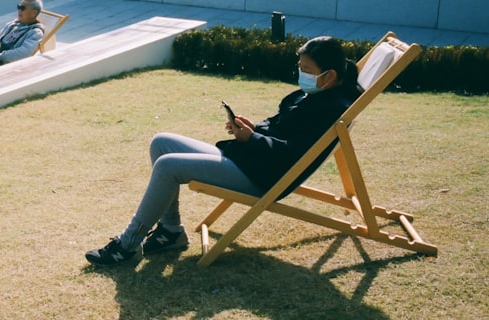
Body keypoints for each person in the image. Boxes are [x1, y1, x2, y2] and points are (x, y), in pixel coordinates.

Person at [85, 36, 361, 266]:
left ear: (330, 75)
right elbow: (277, 125)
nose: (301, 73)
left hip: (263, 177)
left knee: (168, 165)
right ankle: (170, 232)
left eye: (307, 69)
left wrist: (252, 139)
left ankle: (128, 244)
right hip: (249, 160)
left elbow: (291, 155)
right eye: (300, 66)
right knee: (161, 141)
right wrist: (253, 128)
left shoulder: (330, 109)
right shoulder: (313, 94)